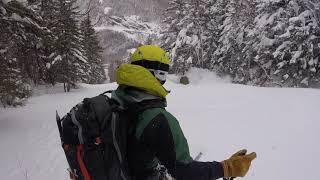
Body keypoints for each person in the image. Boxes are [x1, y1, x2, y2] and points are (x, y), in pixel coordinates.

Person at [111, 45, 257, 180]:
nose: (163, 80)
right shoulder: (157, 118)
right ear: (152, 74)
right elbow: (185, 172)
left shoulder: (118, 97)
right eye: (162, 74)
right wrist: (227, 168)